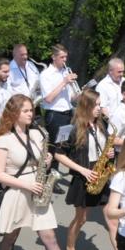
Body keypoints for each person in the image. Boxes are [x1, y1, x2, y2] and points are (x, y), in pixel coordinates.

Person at [0, 94, 82, 250]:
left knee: (50, 238)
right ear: (14, 113)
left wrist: (47, 159)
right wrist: (27, 185)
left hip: (38, 189)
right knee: (11, 237)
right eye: (25, 111)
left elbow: (40, 161)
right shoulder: (3, 140)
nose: (31, 114)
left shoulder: (36, 134)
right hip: (17, 190)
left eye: (31, 110)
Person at [54, 89, 118, 250]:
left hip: (101, 175)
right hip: (84, 177)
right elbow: (58, 154)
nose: (99, 108)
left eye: (100, 104)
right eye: (96, 105)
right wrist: (82, 170)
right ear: (86, 106)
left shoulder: (101, 125)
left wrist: (110, 153)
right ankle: (70, 248)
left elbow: (105, 146)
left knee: (112, 219)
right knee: (81, 218)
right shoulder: (70, 128)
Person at [40, 44, 80, 177]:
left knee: (61, 146)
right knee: (52, 147)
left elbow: (71, 97)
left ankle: (54, 174)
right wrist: (64, 82)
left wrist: (80, 94)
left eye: (66, 57)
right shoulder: (46, 74)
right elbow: (48, 99)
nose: (65, 60)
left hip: (67, 114)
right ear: (53, 57)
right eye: (62, 57)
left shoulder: (65, 72)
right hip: (54, 115)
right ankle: (45, 175)